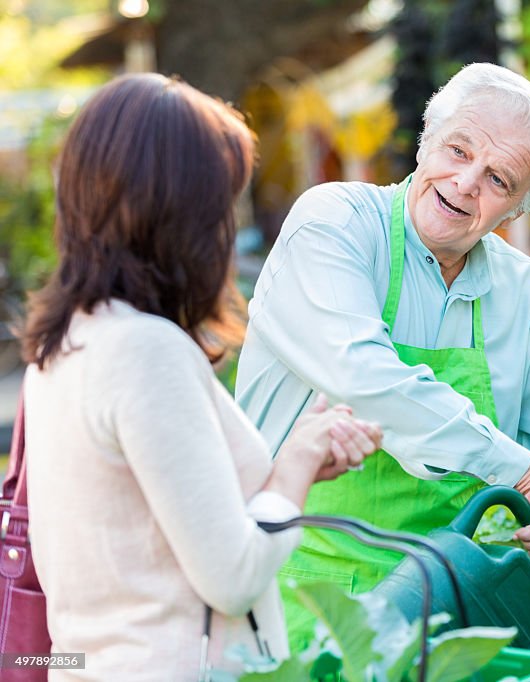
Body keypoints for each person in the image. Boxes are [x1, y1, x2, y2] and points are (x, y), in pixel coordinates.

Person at [235, 62, 530, 649]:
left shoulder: (519, 289)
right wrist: (524, 472)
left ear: (516, 211)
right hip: (299, 600)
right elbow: (363, 376)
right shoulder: (334, 223)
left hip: (445, 618)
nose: (466, 181)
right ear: (425, 141)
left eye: (500, 180)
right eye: (458, 150)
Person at [19, 74, 382, 681]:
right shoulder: (145, 351)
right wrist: (293, 465)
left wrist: (299, 461)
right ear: (180, 211)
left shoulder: (69, 342)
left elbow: (151, 532)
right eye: (221, 200)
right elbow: (233, 575)